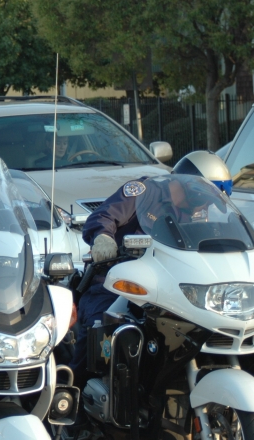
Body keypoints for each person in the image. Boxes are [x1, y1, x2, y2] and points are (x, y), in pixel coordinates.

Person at [70, 150, 233, 379]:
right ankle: (71, 395)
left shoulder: (195, 213)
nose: (205, 208)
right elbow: (103, 216)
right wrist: (103, 238)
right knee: (102, 332)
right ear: (193, 189)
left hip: (167, 290)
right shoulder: (144, 192)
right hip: (118, 285)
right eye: (204, 200)